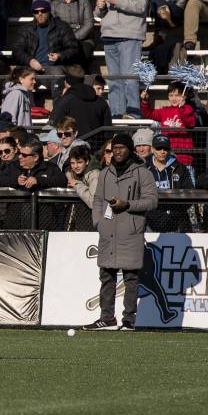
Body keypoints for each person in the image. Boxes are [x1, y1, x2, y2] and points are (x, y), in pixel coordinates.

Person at [83, 131, 156, 330]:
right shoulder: (106, 172)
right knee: (106, 275)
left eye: (121, 148)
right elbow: (98, 199)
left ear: (130, 149)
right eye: (114, 148)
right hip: (108, 231)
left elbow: (152, 201)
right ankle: (107, 318)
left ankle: (128, 320)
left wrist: (128, 205)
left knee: (131, 277)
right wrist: (98, 222)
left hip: (130, 232)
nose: (117, 152)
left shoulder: (142, 172)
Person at [96, 0, 148, 117]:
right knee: (114, 81)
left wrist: (116, 1)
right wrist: (100, 7)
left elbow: (140, 6)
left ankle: (133, 114)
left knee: (129, 79)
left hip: (129, 36)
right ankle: (116, 115)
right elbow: (98, 15)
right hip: (109, 35)